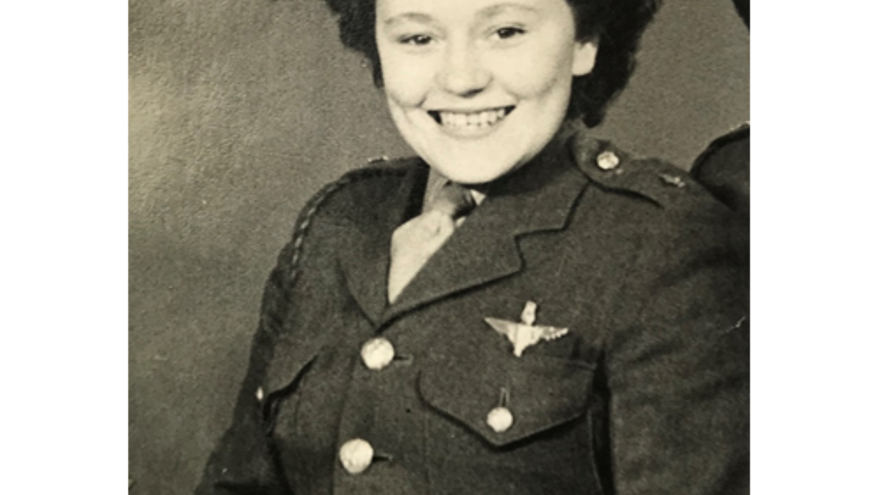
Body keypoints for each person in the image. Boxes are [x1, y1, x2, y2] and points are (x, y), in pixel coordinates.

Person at [196, 1, 753, 494]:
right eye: (417, 38)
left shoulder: (662, 240)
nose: (461, 79)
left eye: (506, 31)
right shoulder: (337, 223)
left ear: (586, 40)